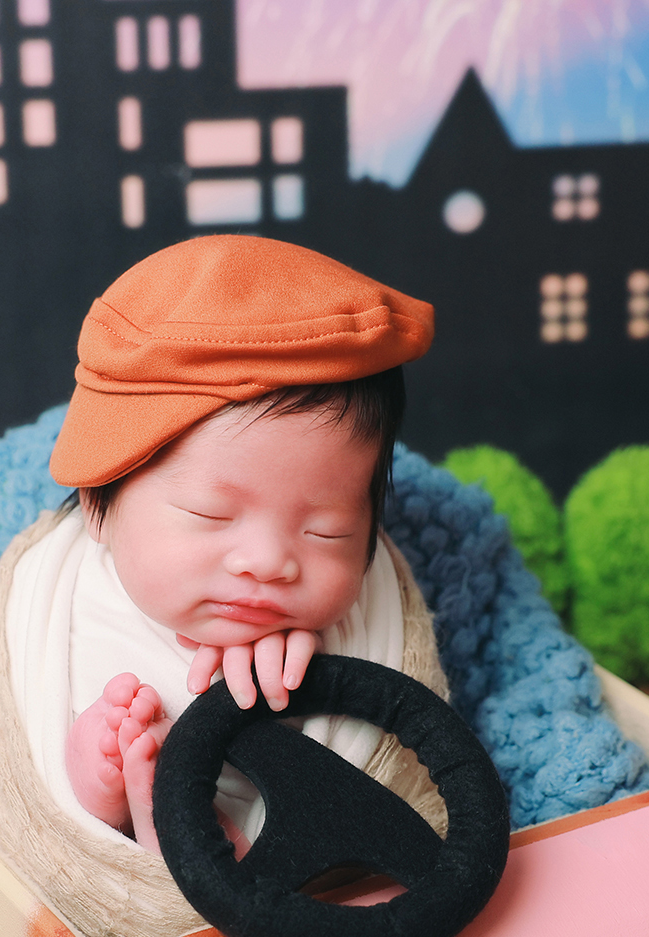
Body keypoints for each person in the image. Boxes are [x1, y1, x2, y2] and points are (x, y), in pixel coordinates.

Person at [25, 235, 436, 854]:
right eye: (209, 514)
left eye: (327, 531)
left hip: (296, 863)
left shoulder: (359, 621)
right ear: (96, 505)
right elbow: (7, 768)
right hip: (101, 834)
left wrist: (318, 675)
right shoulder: (61, 600)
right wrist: (88, 774)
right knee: (109, 735)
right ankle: (111, 792)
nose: (268, 562)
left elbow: (405, 765)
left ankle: (208, 832)